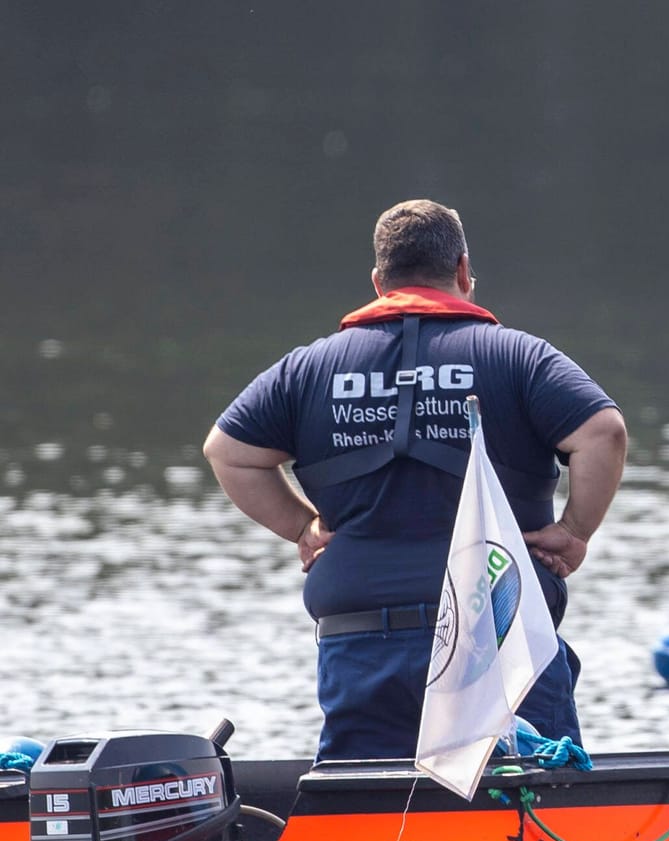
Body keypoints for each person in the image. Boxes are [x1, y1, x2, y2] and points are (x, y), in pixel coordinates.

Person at [204, 198, 627, 761]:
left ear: (379, 283)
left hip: (361, 645)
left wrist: (303, 527)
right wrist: (575, 532)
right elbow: (604, 434)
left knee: (367, 816)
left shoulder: (308, 369)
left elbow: (227, 451)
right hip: (494, 639)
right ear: (462, 271)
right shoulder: (517, 357)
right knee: (529, 809)